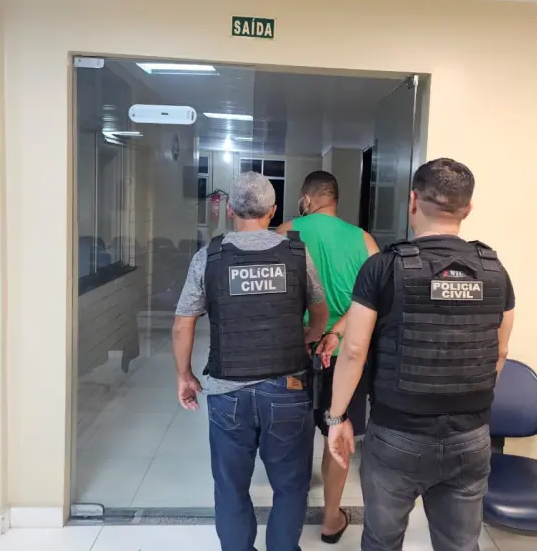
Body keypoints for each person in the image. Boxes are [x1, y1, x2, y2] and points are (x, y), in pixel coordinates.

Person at [326, 158, 516, 551]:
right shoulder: (495, 271)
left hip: (397, 434)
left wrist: (338, 417)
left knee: (382, 541)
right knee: (460, 544)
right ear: (467, 208)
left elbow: (354, 350)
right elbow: (500, 352)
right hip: (471, 436)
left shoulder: (383, 267)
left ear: (412, 200)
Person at [173, 171, 330, 551]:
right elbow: (320, 312)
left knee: (230, 487)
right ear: (273, 211)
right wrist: (306, 337)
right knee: (291, 486)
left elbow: (182, 324)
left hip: (227, 391)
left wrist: (184, 375)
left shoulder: (209, 257)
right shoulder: (296, 253)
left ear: (230, 209)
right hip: (287, 389)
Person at [276, 170, 379, 544]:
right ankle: (331, 519)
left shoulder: (287, 231)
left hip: (296, 349)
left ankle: (290, 513)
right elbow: (375, 298)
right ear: (335, 199)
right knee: (338, 432)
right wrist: (337, 330)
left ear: (306, 199)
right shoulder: (363, 239)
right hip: (346, 354)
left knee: (292, 432)